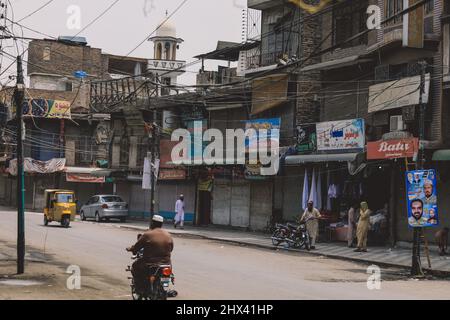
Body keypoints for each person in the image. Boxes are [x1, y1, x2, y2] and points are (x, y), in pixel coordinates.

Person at [126, 215, 174, 293]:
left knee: (135, 266)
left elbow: (137, 247)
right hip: (166, 263)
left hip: (150, 263)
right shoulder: (168, 235)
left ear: (152, 223)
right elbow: (171, 249)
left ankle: (139, 289)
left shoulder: (148, 234)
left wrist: (131, 249)